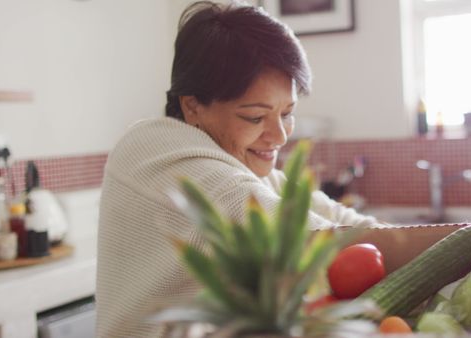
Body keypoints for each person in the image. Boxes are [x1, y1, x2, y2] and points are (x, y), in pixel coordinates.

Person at [95, 2, 377, 337]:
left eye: (287, 113)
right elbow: (323, 244)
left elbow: (356, 230)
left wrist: (454, 236)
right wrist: (454, 247)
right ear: (192, 106)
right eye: (255, 117)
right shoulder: (158, 149)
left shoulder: (247, 166)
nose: (281, 135)